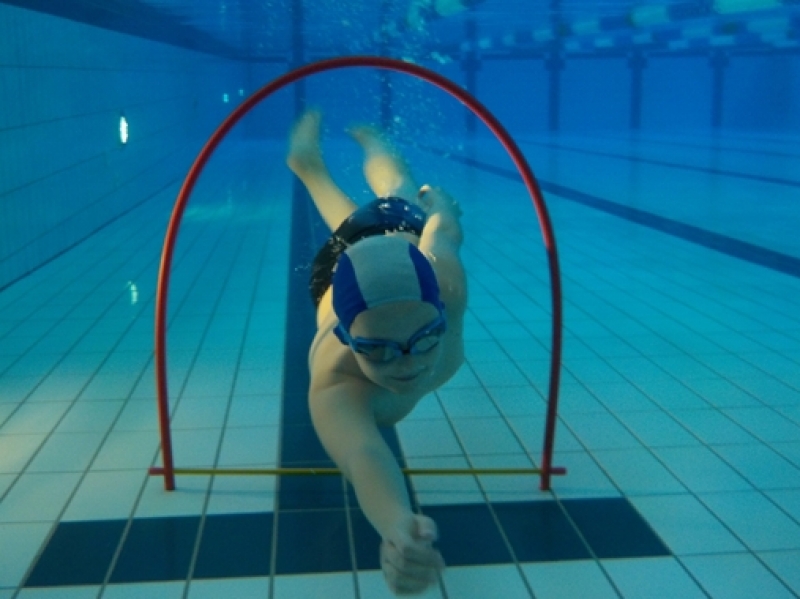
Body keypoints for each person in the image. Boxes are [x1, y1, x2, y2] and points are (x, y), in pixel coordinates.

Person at [287, 109, 467, 596]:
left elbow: (443, 232)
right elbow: (363, 454)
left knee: (402, 192)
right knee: (351, 226)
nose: (409, 363)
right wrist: (396, 525)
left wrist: (442, 209)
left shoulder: (446, 284)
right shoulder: (335, 377)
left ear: (441, 311)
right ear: (349, 341)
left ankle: (370, 146)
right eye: (378, 351)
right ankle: (309, 167)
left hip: (401, 241)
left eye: (425, 337)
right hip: (337, 275)